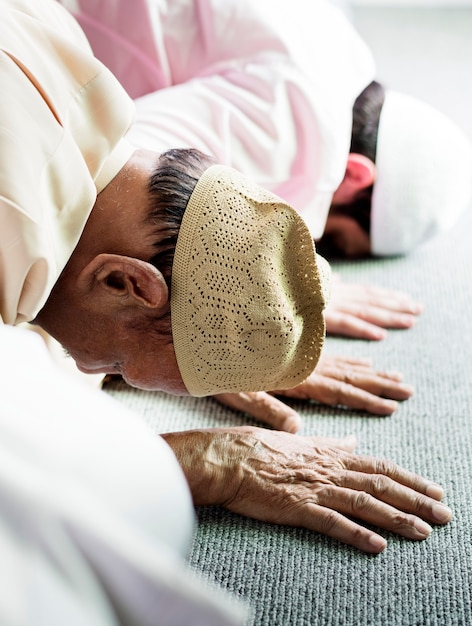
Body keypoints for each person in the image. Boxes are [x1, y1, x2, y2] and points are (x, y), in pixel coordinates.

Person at [0, 0, 453, 580]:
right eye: (115, 363)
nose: (98, 371)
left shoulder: (62, 47)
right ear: (124, 281)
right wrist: (215, 463)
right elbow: (23, 459)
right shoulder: (16, 233)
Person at [54, 0, 472, 430]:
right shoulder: (286, 128)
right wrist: (202, 339)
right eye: (336, 242)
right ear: (354, 176)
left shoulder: (336, 46)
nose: (320, 246)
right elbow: (104, 191)